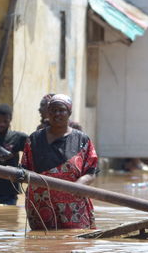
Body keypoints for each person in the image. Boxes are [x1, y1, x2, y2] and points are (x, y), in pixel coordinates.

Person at [21, 94, 98, 230]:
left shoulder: (82, 140)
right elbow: (24, 170)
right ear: (48, 113)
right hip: (41, 206)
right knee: (40, 240)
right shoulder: (34, 139)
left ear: (69, 112)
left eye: (61, 110)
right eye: (53, 110)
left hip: (74, 207)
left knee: (75, 239)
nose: (57, 114)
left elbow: (92, 172)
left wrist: (79, 184)